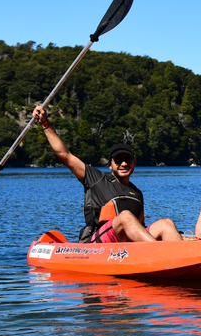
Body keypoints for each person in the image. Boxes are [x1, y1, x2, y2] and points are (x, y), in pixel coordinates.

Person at [32, 104, 181, 243]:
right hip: (98, 243)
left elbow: (140, 228)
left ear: (134, 163)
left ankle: (182, 260)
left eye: (127, 159)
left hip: (128, 246)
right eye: (118, 160)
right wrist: (45, 124)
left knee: (165, 223)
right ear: (110, 165)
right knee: (125, 217)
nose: (123, 163)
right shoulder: (96, 178)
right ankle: (157, 252)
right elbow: (65, 155)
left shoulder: (137, 193)